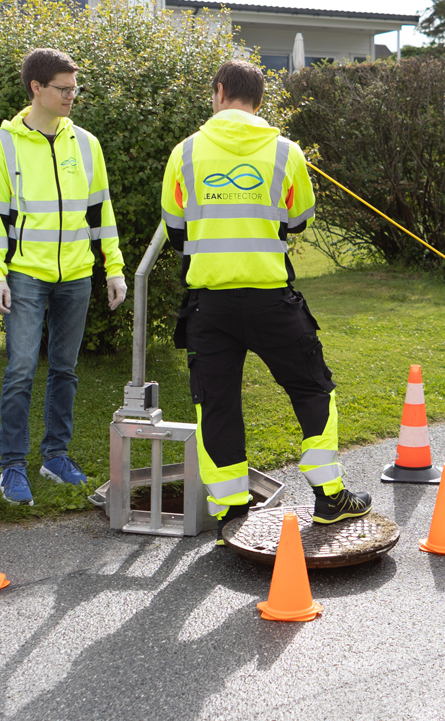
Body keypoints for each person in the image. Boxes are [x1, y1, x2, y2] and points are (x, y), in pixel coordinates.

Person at [161, 59, 371, 544]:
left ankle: (231, 513)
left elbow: (175, 230)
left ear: (218, 92)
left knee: (216, 404)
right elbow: (300, 220)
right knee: (313, 388)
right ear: (259, 100)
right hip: (271, 300)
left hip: (209, 304)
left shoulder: (185, 152)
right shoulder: (286, 151)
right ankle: (330, 497)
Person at [0, 48, 127, 505]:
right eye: (63, 89)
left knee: (65, 369)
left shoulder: (86, 144)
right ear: (36, 88)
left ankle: (55, 457)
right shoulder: (2, 145)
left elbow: (101, 211)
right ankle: (12, 465)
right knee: (21, 370)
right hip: (25, 275)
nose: (71, 96)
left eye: (74, 88)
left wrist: (114, 267)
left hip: (77, 275)